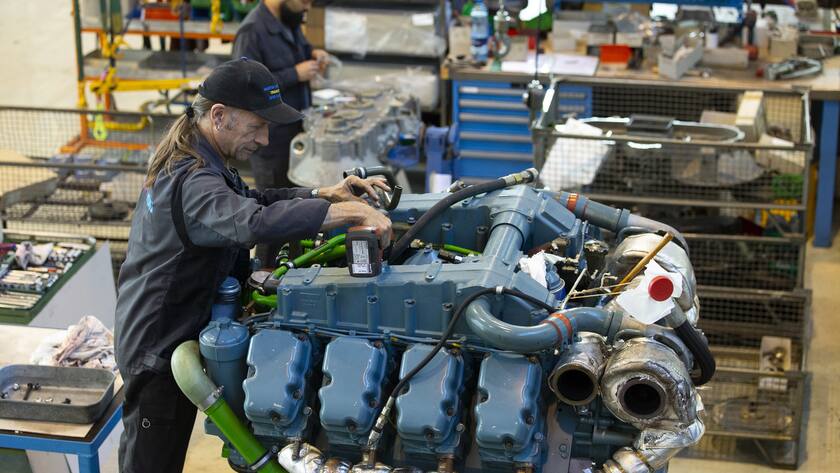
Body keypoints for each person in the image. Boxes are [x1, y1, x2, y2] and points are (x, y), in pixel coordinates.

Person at [114, 58, 391, 473]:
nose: (264, 140)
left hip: (177, 328)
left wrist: (325, 194)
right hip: (158, 344)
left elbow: (256, 201)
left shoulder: (203, 155)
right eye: (257, 125)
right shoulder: (193, 177)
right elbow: (252, 223)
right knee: (152, 462)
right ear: (220, 116)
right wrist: (348, 214)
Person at [233, 0, 326, 266]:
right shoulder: (251, 31)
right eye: (304, 1)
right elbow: (245, 86)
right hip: (271, 142)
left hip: (295, 138)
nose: (307, 6)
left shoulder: (288, 21)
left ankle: (293, 273)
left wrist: (314, 53)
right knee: (272, 220)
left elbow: (301, 51)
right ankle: (263, 279)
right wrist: (293, 74)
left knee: (295, 215)